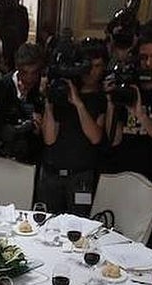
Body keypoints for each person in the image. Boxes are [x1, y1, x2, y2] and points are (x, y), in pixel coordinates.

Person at [104, 29, 152, 246]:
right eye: (144, 57)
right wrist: (110, 102)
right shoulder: (127, 82)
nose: (148, 63)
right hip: (125, 174)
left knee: (150, 245)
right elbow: (113, 139)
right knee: (117, 241)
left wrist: (141, 114)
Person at [39, 42, 106, 215]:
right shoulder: (62, 90)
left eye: (96, 66)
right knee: (48, 226)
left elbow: (95, 137)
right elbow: (49, 139)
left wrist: (78, 104)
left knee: (79, 227)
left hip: (80, 177)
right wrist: (48, 101)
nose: (91, 71)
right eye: (87, 65)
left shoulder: (101, 98)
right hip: (52, 174)